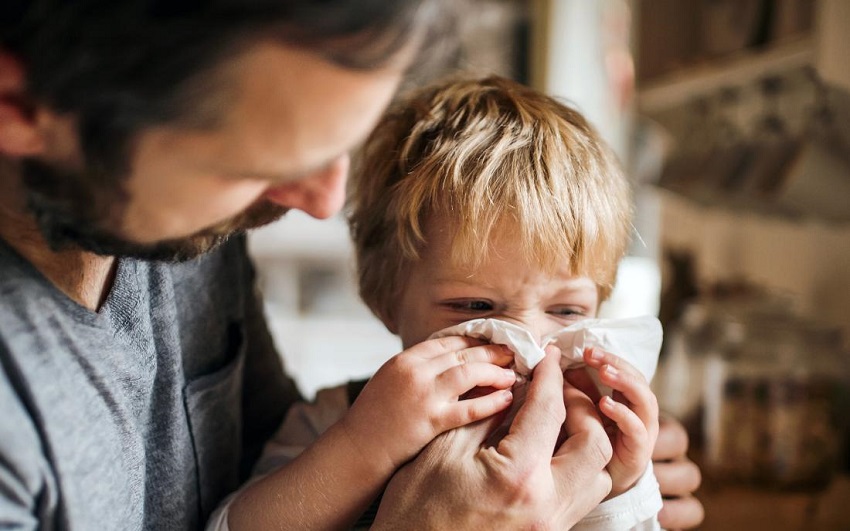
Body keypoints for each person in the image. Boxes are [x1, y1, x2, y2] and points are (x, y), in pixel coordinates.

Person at [0, 1, 702, 529]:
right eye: (261, 159)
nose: (323, 201)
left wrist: (628, 482)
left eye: (570, 310)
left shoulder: (193, 227)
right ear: (22, 107)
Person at [223, 75, 667, 530]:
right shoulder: (342, 419)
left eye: (567, 311)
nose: (530, 347)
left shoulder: (586, 435)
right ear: (387, 299)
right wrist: (363, 447)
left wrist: (619, 490)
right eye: (476, 307)